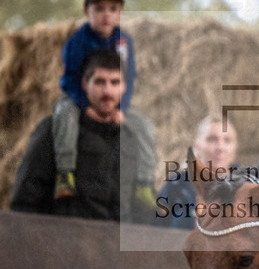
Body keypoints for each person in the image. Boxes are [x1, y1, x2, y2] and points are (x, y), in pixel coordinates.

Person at [11, 49, 156, 223]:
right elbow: (25, 200)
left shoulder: (133, 138)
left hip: (115, 245)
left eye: (115, 82)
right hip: (66, 242)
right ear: (84, 83)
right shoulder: (55, 130)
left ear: (124, 87)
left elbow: (142, 208)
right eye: (100, 82)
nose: (107, 91)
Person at [53, 0, 155, 202]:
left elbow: (129, 77)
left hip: (113, 101)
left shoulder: (124, 41)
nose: (106, 15)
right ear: (86, 11)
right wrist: (85, 106)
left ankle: (144, 183)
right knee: (64, 116)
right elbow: (70, 79)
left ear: (120, 12)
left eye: (113, 9)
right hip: (78, 97)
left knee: (145, 126)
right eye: (99, 9)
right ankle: (65, 173)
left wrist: (122, 108)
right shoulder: (78, 41)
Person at [156, 115, 238, 229]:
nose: (221, 147)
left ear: (235, 147)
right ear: (197, 146)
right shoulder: (176, 187)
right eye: (212, 139)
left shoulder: (247, 186)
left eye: (227, 140)